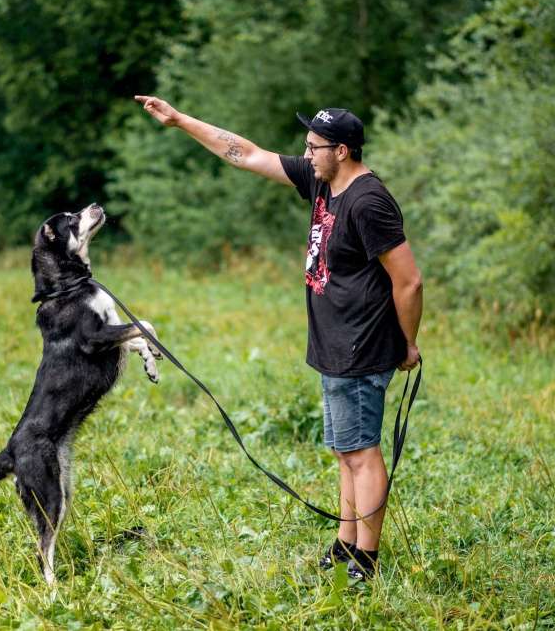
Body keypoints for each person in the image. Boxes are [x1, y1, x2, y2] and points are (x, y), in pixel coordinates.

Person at [135, 96, 423, 580]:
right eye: (306, 145)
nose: (306, 154)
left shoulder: (368, 201)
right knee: (344, 450)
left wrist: (407, 342)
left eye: (315, 147)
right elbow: (247, 154)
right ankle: (346, 542)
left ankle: (366, 560)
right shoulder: (323, 180)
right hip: (334, 341)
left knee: (361, 452)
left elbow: (409, 280)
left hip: (361, 341)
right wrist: (181, 120)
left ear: (344, 150)